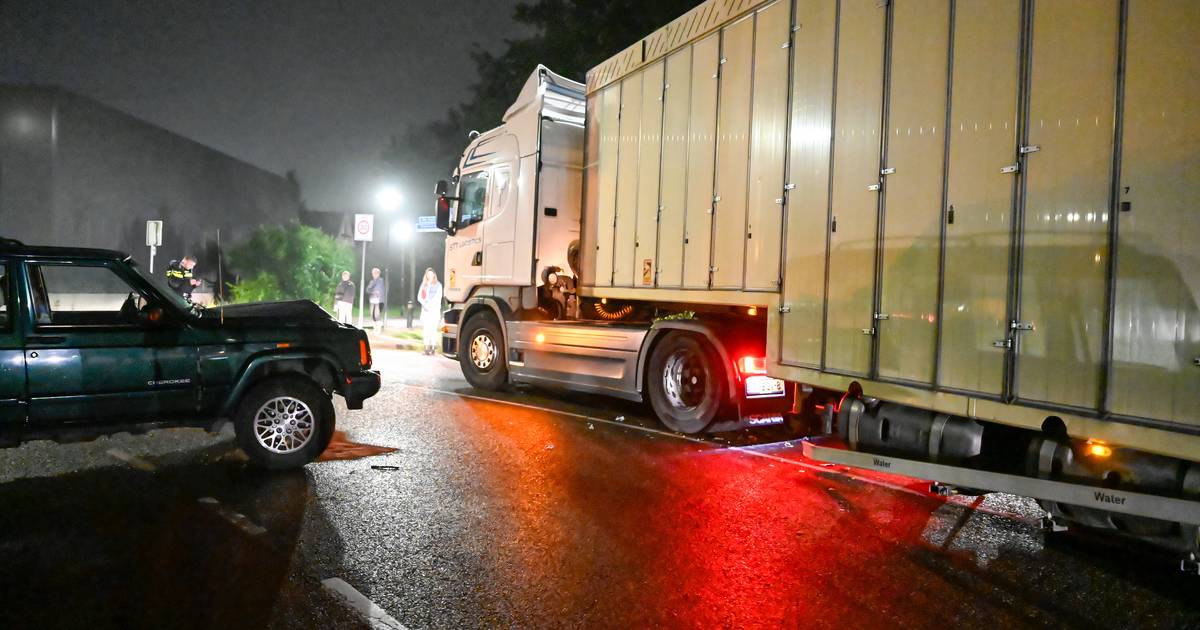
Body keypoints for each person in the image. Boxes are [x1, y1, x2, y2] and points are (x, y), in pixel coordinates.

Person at [417, 268, 443, 355]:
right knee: (426, 330)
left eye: (431, 274)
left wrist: (429, 305)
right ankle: (426, 348)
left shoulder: (438, 285)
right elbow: (419, 297)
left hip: (434, 311)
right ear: (426, 276)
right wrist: (425, 305)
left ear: (434, 275)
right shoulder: (424, 285)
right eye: (428, 275)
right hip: (425, 311)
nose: (430, 276)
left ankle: (432, 348)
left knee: (433, 330)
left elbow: (437, 298)